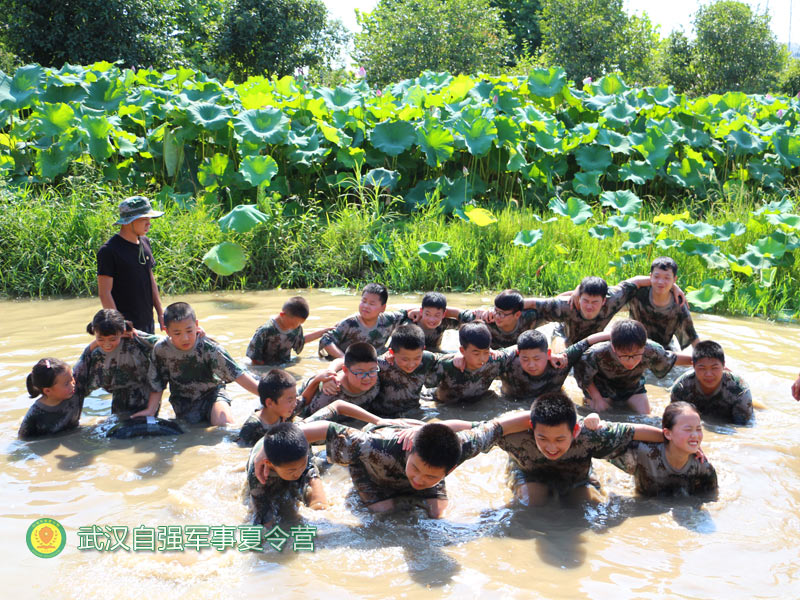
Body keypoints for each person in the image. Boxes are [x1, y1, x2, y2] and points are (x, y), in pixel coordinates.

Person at [294, 410, 531, 518]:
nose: (418, 479)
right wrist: (266, 446)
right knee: (383, 514)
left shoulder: (462, 448)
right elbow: (326, 430)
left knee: (438, 514)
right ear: (410, 453)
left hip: (419, 443)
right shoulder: (374, 446)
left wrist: (554, 421)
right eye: (415, 469)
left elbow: (498, 426)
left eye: (430, 477)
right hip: (372, 469)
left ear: (452, 469)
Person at [497, 392, 665, 506]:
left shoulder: (588, 434)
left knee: (588, 504)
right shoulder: (517, 437)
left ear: (575, 431)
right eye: (543, 438)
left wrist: (674, 439)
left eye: (560, 439)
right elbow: (478, 430)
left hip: (577, 478)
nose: (552, 447)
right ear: (533, 429)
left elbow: (633, 431)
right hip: (530, 475)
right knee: (531, 502)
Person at [133, 302, 259, 425]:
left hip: (212, 395)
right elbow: (157, 383)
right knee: (189, 431)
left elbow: (238, 375)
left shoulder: (208, 347)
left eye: (189, 331)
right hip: (183, 403)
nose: (185, 338)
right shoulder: (161, 349)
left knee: (223, 424)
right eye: (177, 333)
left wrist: (268, 396)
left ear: (197, 325)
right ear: (167, 331)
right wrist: (151, 410)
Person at [523, 275, 682, 353]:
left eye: (595, 302)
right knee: (561, 358)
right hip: (564, 335)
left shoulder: (613, 299)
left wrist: (673, 286)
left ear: (604, 301)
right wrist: (498, 311)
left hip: (595, 338)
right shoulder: (567, 305)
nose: (589, 307)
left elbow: (636, 282)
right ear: (579, 298)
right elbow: (532, 303)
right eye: (585, 301)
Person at [574, 319, 693, 414]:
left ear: (643, 346)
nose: (631, 362)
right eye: (625, 356)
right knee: (602, 413)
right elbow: (584, 376)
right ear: (614, 348)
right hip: (601, 387)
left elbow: (671, 358)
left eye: (636, 355)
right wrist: (596, 397)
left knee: (645, 415)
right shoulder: (596, 353)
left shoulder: (651, 349)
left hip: (632, 386)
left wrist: (698, 360)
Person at [610, 402, 718, 497]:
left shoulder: (703, 467)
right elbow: (607, 438)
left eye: (698, 429)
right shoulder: (643, 453)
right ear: (667, 433)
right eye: (688, 429)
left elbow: (711, 500)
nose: (695, 435)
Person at [97, 196, 165, 333]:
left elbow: (150, 279)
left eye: (149, 219)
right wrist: (119, 325)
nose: (149, 224)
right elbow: (105, 293)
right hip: (125, 327)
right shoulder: (109, 250)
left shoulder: (144, 242)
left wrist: (160, 313)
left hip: (147, 321)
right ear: (128, 222)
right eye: (143, 220)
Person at [72, 308, 159, 417]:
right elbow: (76, 375)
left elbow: (167, 343)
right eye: (101, 339)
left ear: (122, 332)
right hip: (119, 395)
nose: (107, 344)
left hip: (146, 393)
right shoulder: (94, 352)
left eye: (112, 339)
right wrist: (92, 345)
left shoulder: (135, 338)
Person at [246, 423, 327, 527]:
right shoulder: (258, 475)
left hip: (291, 457)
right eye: (292, 470)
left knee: (312, 478)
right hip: (271, 466)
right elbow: (264, 520)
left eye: (301, 466)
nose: (298, 473)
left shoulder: (301, 453)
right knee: (264, 517)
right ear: (269, 464)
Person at [497, 330, 609, 402]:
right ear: (518, 354)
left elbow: (587, 342)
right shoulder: (509, 363)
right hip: (511, 401)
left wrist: (616, 334)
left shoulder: (561, 362)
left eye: (537, 359)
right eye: (525, 359)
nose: (531, 365)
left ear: (548, 354)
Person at [371, 324, 453, 416]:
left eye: (417, 358)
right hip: (384, 415)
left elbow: (447, 359)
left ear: (423, 350)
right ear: (392, 353)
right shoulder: (381, 364)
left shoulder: (427, 358)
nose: (411, 364)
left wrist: (458, 357)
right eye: (405, 359)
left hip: (414, 412)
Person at [669, 340, 753, 425]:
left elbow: (742, 427)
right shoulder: (682, 387)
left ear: (724, 365)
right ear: (693, 365)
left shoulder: (740, 390)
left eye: (714, 368)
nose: (708, 374)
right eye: (702, 368)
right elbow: (674, 421)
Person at [626, 256, 699, 349]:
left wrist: (704, 360)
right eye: (656, 277)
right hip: (634, 345)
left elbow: (693, 336)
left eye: (667, 278)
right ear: (650, 276)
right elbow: (619, 291)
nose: (661, 282)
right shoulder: (638, 293)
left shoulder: (678, 304)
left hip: (663, 351)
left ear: (674, 280)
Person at [318, 283, 407, 358]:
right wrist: (343, 359)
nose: (366, 306)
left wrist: (413, 312)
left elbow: (408, 313)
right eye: (363, 301)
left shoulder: (388, 319)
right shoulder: (350, 323)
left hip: (373, 362)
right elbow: (325, 340)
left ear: (383, 308)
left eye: (372, 303)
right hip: (347, 362)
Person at [429, 322, 505, 404]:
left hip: (476, 402)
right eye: (476, 353)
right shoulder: (446, 365)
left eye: (486, 352)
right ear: (462, 350)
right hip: (445, 405)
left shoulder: (495, 361)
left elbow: (517, 350)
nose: (482, 358)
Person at [300, 342, 381, 417]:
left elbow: (341, 360)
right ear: (345, 370)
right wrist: (328, 375)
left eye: (372, 370)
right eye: (360, 373)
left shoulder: (377, 376)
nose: (367, 378)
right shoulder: (330, 392)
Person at [246, 296, 332, 365]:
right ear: (282, 315)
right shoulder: (266, 331)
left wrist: (322, 332)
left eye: (299, 324)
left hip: (284, 364)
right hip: (265, 367)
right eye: (292, 324)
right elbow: (254, 358)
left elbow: (301, 341)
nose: (294, 327)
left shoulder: (296, 328)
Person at [18, 358, 84, 440]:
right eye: (67, 383)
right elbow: (23, 440)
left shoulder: (75, 392)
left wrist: (95, 344)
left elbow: (86, 358)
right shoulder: (34, 415)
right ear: (47, 391)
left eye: (72, 379)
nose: (73, 384)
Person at [403, 292, 472, 352]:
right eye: (427, 314)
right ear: (421, 311)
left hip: (436, 355)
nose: (432, 320)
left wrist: (453, 312)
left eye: (437, 315)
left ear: (444, 314)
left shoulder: (444, 323)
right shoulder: (410, 324)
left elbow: (472, 323)